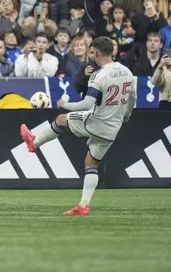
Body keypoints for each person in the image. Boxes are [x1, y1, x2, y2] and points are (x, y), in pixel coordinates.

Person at [20, 37, 136, 216]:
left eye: (92, 52)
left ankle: (33, 144)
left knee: (60, 119)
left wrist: (64, 104)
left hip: (96, 120)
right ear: (111, 51)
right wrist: (126, 115)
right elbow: (132, 98)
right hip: (113, 127)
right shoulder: (127, 72)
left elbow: (87, 104)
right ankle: (83, 206)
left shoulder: (100, 75)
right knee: (91, 163)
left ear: (96, 53)